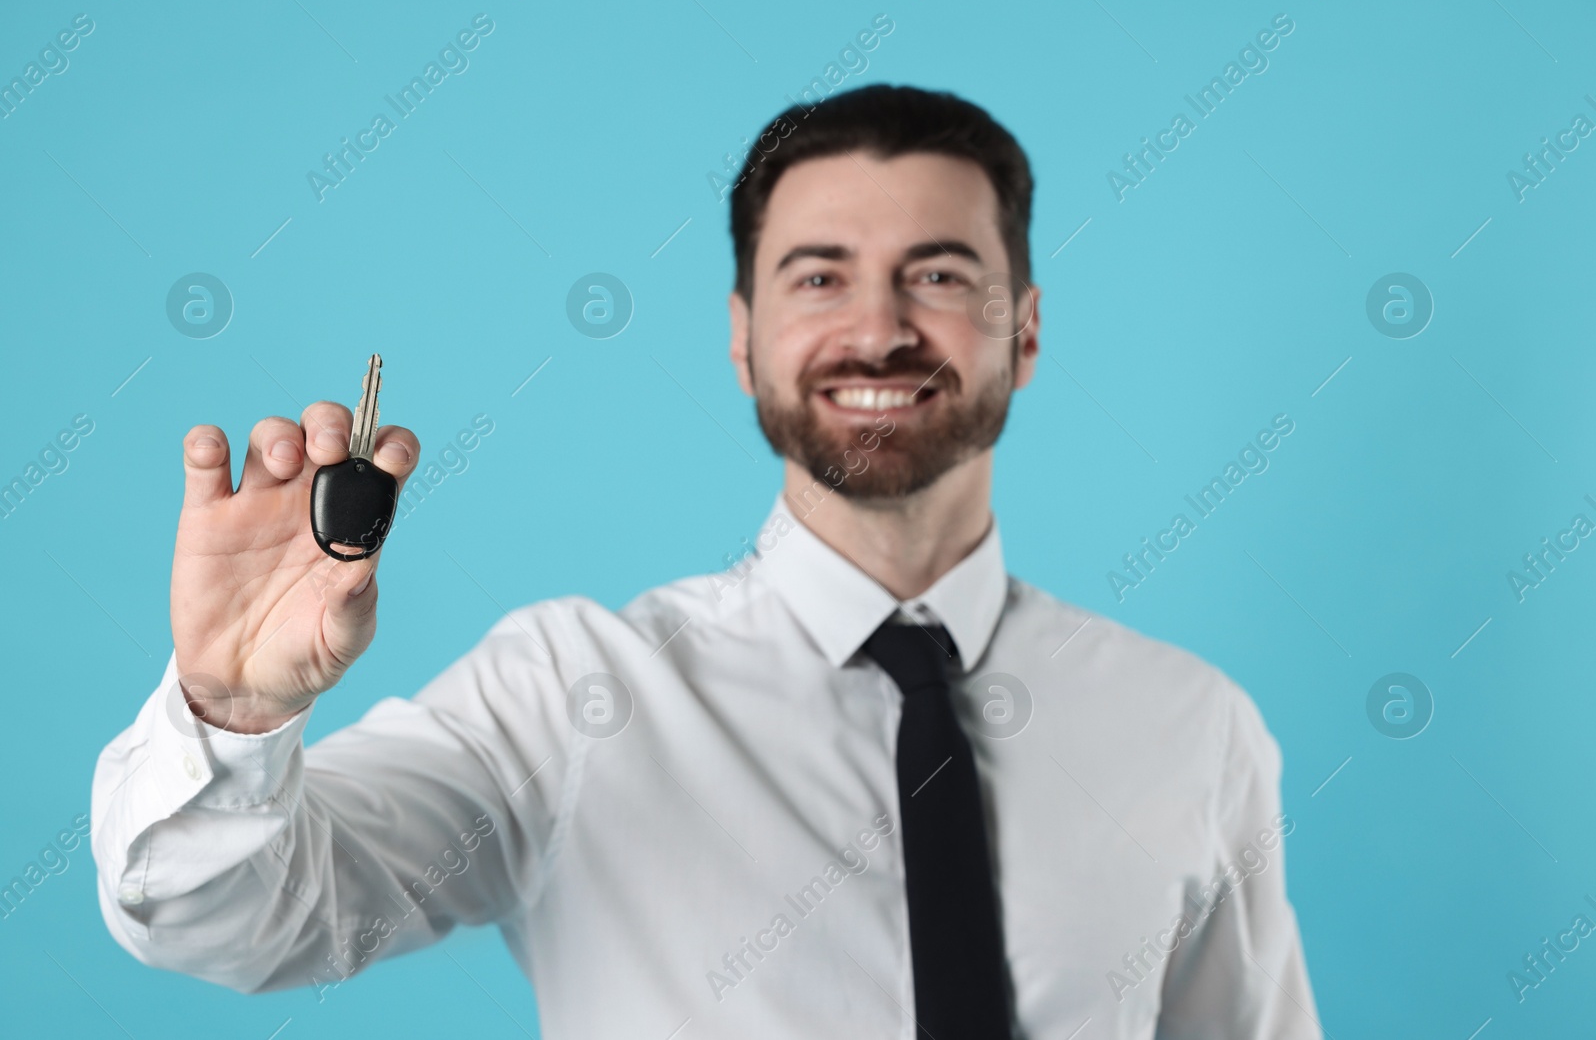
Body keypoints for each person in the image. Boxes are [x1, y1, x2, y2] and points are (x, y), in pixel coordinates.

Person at [91, 84, 1320, 1039]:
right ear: (743, 339)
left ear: (1027, 327)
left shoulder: (1191, 727)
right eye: (818, 275)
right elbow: (232, 919)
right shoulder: (565, 696)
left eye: (937, 274)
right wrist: (235, 714)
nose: (879, 326)